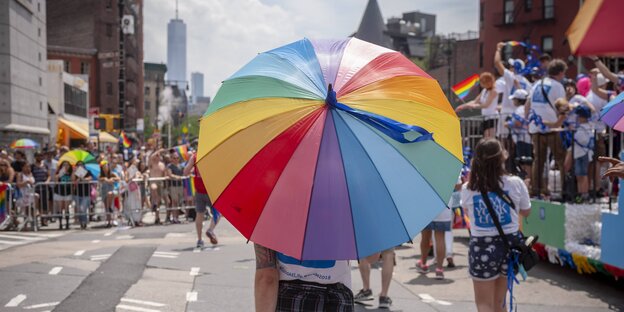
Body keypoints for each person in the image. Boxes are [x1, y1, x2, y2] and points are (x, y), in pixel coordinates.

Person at [461, 138, 531, 312]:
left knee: (484, 304)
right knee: (500, 303)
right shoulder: (515, 183)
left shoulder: (468, 188)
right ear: (503, 157)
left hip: (482, 246)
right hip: (510, 245)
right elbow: (526, 212)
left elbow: (468, 213)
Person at [254, 244, 354, 311]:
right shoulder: (346, 214)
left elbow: (267, 278)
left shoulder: (267, 214)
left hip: (289, 299)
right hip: (336, 299)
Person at [526, 59, 568, 198]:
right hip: (552, 127)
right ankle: (563, 190)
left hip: (536, 126)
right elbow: (562, 106)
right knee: (560, 160)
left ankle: (536, 189)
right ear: (560, 72)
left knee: (538, 160)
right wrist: (560, 122)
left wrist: (528, 120)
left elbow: (528, 103)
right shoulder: (558, 86)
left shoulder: (537, 83)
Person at [184, 152, 220, 248]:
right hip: (211, 190)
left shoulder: (195, 156)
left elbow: (185, 172)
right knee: (218, 212)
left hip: (199, 190)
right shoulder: (213, 153)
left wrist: (193, 169)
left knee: (200, 214)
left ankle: (199, 239)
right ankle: (211, 230)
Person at [455, 72, 499, 138]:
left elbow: (486, 105)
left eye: (482, 82)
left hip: (492, 117)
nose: (480, 84)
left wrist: (473, 106)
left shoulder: (493, 91)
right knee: (486, 137)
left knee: (490, 137)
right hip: (486, 117)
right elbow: (475, 101)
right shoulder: (484, 90)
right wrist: (463, 106)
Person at [416, 206, 452, 280]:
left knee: (425, 236)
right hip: (443, 206)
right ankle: (439, 269)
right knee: (440, 237)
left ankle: (423, 264)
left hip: (426, 206)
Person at [507, 89, 532, 181]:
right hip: (524, 138)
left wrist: (508, 124)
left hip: (523, 138)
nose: (513, 101)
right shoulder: (523, 108)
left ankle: (528, 180)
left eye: (514, 99)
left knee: (525, 162)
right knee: (524, 161)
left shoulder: (519, 110)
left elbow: (518, 123)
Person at [572, 106, 594, 203]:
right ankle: (580, 194)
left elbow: (582, 140)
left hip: (582, 154)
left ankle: (584, 195)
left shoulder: (584, 128)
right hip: (580, 154)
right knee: (579, 175)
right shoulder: (587, 126)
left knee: (582, 175)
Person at [72, 161, 93, 229]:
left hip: (86, 193)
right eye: (78, 165)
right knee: (79, 209)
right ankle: (82, 222)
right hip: (77, 193)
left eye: (81, 164)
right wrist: (74, 172)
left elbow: (90, 178)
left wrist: (84, 179)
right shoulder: (75, 173)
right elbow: (72, 180)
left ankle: (84, 222)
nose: (80, 166)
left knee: (82, 208)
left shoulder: (88, 171)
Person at [148, 148, 167, 224]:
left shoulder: (162, 165)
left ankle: (157, 217)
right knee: (154, 188)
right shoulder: (152, 163)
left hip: (160, 182)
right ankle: (154, 203)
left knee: (159, 201)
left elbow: (164, 174)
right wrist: (158, 151)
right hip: (153, 181)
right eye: (156, 155)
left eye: (158, 156)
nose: (157, 157)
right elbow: (150, 158)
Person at [53, 160, 73, 230]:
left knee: (67, 208)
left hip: (67, 192)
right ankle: (60, 223)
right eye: (64, 165)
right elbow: (55, 180)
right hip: (59, 192)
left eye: (67, 165)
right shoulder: (59, 172)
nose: (66, 166)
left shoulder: (71, 173)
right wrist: (61, 173)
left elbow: (73, 180)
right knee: (60, 208)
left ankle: (67, 223)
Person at [31, 152, 50, 226]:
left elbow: (49, 175)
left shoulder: (45, 165)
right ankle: (35, 219)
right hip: (35, 188)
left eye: (41, 156)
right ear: (35, 157)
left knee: (44, 204)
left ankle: (43, 219)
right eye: (38, 156)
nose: (39, 157)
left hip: (44, 187)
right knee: (35, 204)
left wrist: (47, 181)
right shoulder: (32, 166)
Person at [99, 161, 120, 228]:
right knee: (106, 206)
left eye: (106, 166)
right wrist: (105, 179)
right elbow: (99, 179)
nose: (105, 168)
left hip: (112, 191)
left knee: (110, 194)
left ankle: (110, 208)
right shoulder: (101, 175)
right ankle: (109, 221)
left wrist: (112, 178)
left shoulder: (112, 174)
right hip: (104, 192)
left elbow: (118, 178)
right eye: (104, 167)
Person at [16, 162, 36, 229]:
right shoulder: (20, 175)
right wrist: (26, 182)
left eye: (29, 167)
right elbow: (18, 184)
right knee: (26, 209)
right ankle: (25, 224)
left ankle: (33, 221)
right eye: (26, 167)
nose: (28, 168)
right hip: (22, 194)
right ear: (22, 167)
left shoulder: (31, 174)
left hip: (30, 193)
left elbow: (33, 183)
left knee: (32, 207)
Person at [166, 150, 184, 223]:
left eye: (177, 158)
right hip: (173, 186)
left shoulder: (181, 166)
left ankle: (177, 217)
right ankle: (174, 217)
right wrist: (177, 177)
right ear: (171, 158)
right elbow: (170, 175)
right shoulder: (170, 166)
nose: (176, 159)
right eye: (174, 158)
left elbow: (184, 173)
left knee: (179, 202)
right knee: (174, 201)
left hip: (180, 185)